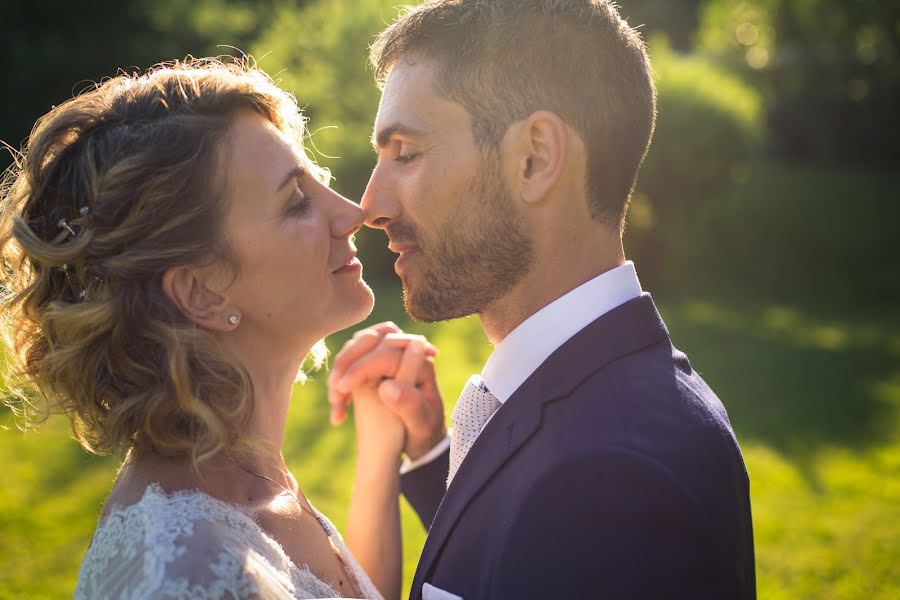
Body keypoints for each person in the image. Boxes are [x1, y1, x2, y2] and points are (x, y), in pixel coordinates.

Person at [329, 1, 757, 598]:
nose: (369, 205)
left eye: (405, 153)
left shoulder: (613, 480)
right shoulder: (597, 422)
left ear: (535, 158)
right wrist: (437, 460)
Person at [0, 57, 413, 599]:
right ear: (200, 292)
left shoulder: (242, 480)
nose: (350, 213)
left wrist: (381, 449)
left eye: (320, 179)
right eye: (295, 202)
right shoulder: (180, 573)